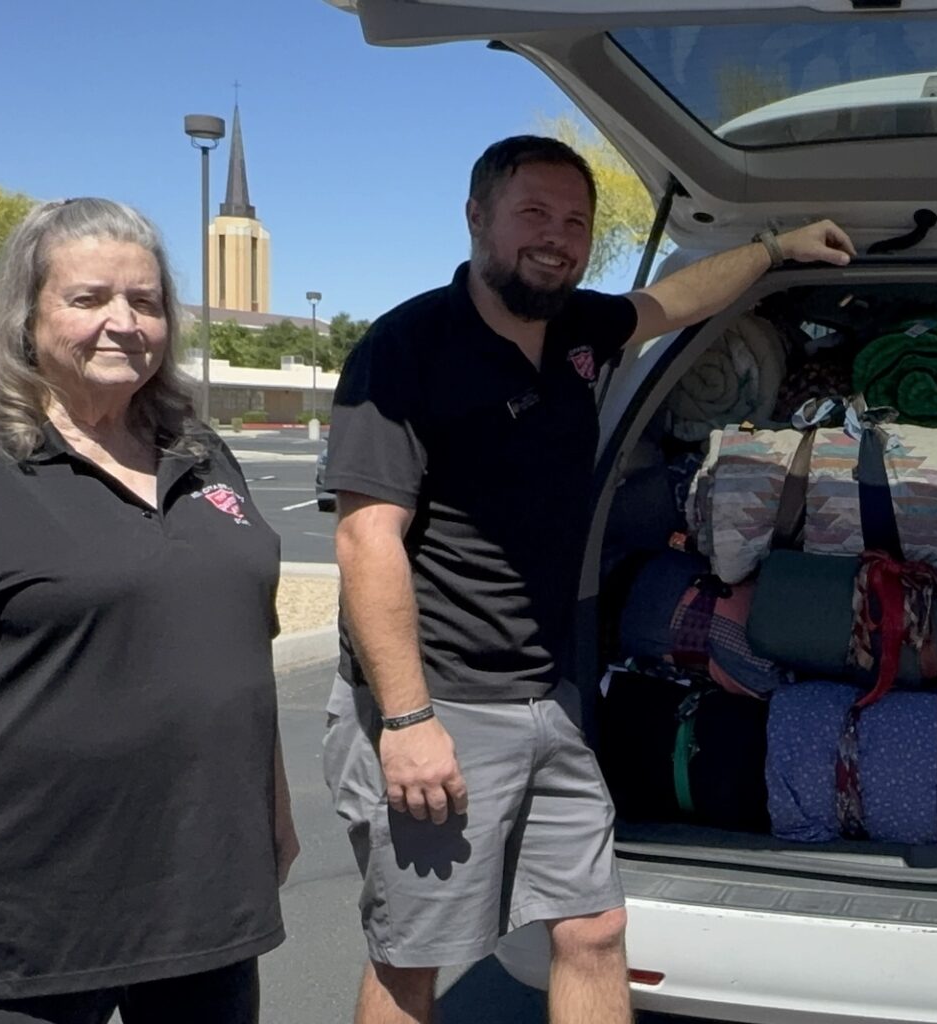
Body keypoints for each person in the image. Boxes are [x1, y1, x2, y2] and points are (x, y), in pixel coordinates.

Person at [319, 135, 853, 1024]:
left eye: (576, 221)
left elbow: (668, 301)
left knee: (595, 929)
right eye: (534, 213)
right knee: (414, 956)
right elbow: (367, 541)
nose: (557, 237)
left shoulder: (576, 331)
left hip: (546, 697)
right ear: (477, 216)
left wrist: (773, 251)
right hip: (442, 703)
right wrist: (408, 721)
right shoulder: (407, 348)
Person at [0, 198, 298, 1024]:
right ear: (26, 315)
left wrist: (276, 807)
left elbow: (238, 650)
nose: (123, 322)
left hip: (206, 904)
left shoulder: (201, 450)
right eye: (88, 299)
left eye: (146, 301)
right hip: (33, 924)